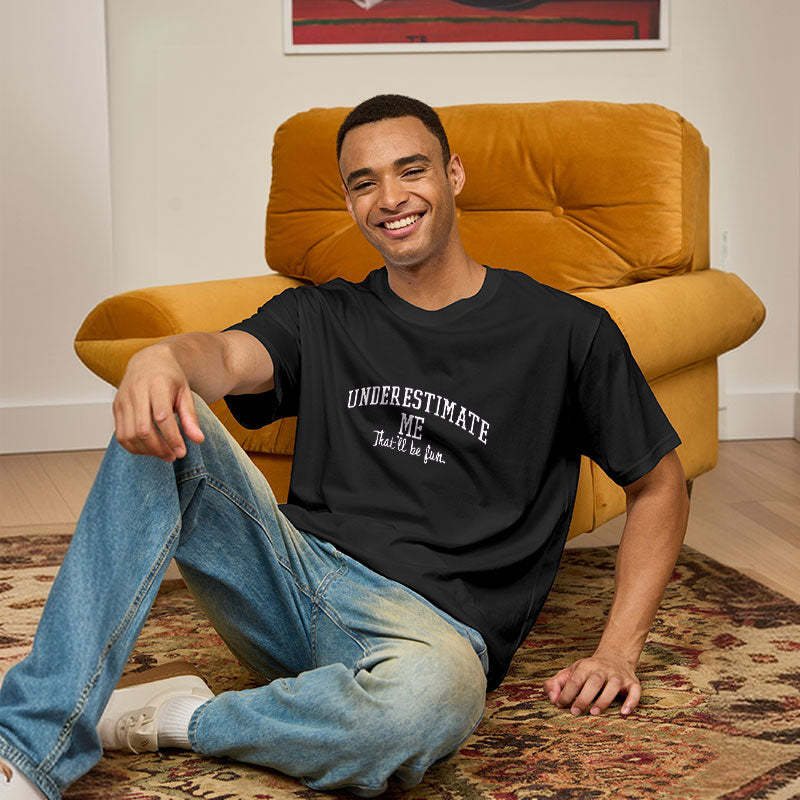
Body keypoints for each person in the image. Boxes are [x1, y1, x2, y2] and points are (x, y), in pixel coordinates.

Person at [0, 94, 690, 800]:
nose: (390, 198)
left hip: (430, 632)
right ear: (350, 202)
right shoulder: (322, 314)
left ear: (453, 174)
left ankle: (182, 718)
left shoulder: (567, 332)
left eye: (411, 170)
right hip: (292, 580)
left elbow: (659, 483)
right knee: (163, 411)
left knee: (431, 703)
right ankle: (27, 746)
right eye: (365, 182)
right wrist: (162, 358)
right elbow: (227, 357)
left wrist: (618, 651)